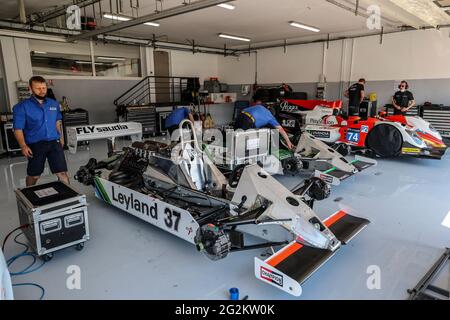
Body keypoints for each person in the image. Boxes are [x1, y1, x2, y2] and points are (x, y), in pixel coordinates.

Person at [12, 76, 69, 186]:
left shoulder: (54, 104)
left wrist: (61, 137)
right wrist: (23, 145)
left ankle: (70, 198)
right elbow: (18, 128)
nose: (42, 91)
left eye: (44, 88)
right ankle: (28, 195)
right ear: (30, 88)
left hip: (54, 142)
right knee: (34, 175)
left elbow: (57, 122)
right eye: (38, 88)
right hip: (35, 144)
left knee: (62, 173)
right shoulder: (21, 107)